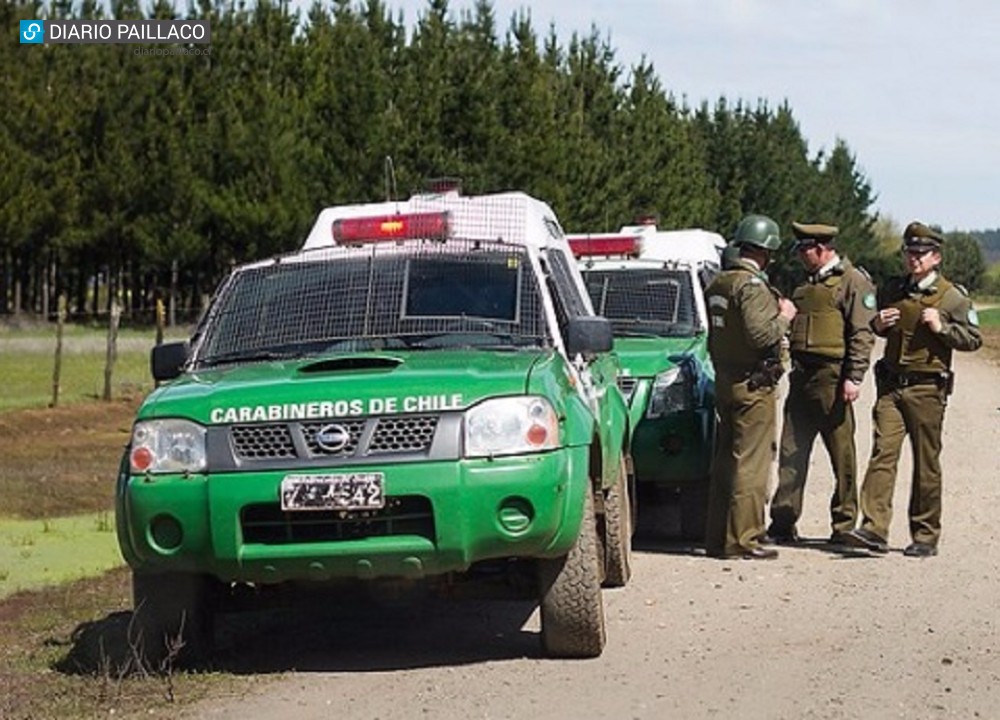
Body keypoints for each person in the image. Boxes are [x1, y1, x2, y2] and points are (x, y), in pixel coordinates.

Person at [845, 221, 982, 557]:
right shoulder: (893, 289)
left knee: (926, 463)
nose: (914, 259)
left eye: (921, 254)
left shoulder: (952, 297)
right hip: (892, 387)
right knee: (883, 454)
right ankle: (873, 529)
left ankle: (925, 534)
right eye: (909, 253)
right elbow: (875, 324)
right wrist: (878, 324)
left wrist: (943, 326)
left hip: (927, 390)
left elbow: (974, 339)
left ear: (936, 258)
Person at [766, 222, 876, 545]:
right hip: (801, 378)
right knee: (791, 452)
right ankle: (783, 523)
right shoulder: (803, 286)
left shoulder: (852, 282)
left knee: (842, 456)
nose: (800, 256)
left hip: (833, 378)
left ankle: (843, 525)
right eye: (798, 250)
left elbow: (862, 333)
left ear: (822, 248)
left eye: (805, 250)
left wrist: (854, 376)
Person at [704, 214, 797, 560]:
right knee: (751, 466)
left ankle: (718, 538)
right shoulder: (751, 287)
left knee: (726, 463)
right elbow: (761, 335)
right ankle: (744, 539)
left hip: (727, 381)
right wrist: (785, 315)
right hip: (753, 386)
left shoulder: (719, 283)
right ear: (764, 250)